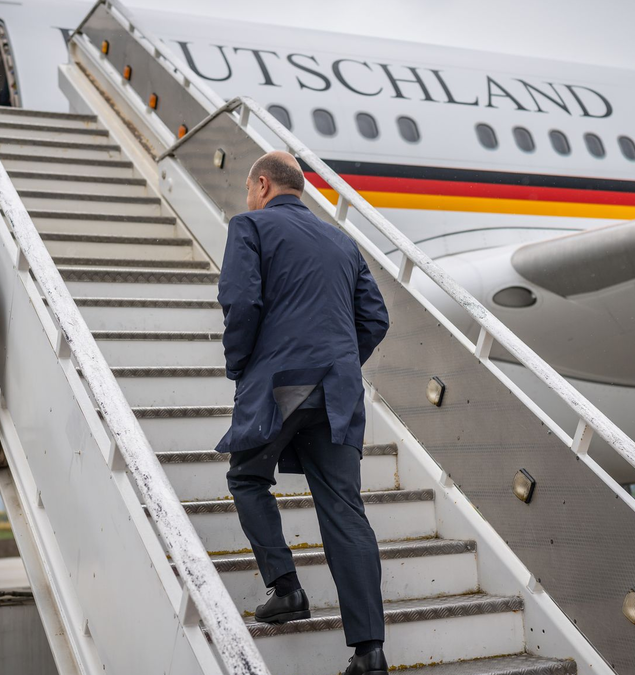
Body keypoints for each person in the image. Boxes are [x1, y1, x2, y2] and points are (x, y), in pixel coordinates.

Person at [215, 151, 391, 675]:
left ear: (263, 185)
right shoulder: (342, 241)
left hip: (279, 382)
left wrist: (242, 365)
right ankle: (369, 653)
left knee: (247, 475)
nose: (249, 198)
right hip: (337, 389)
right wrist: (335, 364)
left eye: (250, 189)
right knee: (343, 508)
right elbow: (375, 319)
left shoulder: (250, 226)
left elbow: (241, 303)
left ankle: (286, 588)